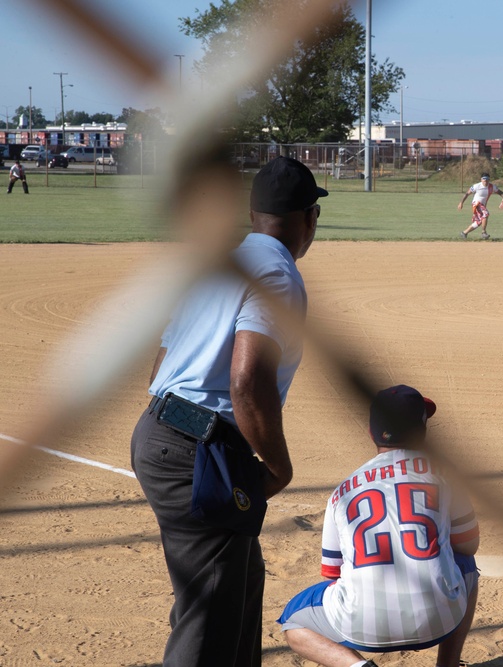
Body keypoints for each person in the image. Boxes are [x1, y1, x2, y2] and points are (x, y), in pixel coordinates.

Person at [130, 156, 326, 666]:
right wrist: (278, 466)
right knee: (210, 612)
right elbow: (247, 379)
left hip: (164, 432)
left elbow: (158, 369)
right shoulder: (278, 275)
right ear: (309, 218)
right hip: (200, 452)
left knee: (237, 585)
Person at [280, 385, 480, 667]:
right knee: (465, 562)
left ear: (371, 433)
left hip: (361, 627)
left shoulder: (342, 491)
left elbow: (331, 574)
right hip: (440, 620)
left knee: (292, 622)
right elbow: (469, 545)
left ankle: (358, 666)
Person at [458, 172, 503, 240]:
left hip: (482, 205)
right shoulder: (476, 186)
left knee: (479, 222)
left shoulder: (492, 187)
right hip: (476, 204)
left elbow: (500, 192)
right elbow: (467, 194)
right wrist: (461, 202)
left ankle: (464, 233)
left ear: (489, 180)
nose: (485, 181)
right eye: (484, 179)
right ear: (481, 179)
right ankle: (484, 233)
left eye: (487, 179)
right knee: (485, 214)